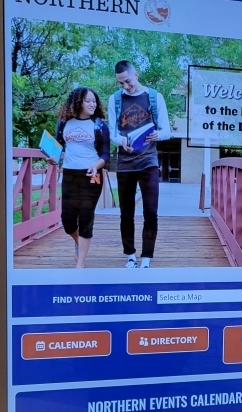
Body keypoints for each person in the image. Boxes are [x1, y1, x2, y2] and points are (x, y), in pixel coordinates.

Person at [107, 60, 171, 268]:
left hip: (148, 161)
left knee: (150, 211)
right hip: (125, 162)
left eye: (127, 81)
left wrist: (157, 135)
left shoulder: (154, 97)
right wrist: (121, 141)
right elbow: (113, 132)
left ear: (137, 75)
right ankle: (130, 256)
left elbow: (167, 130)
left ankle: (146, 258)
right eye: (120, 83)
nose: (125, 86)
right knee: (126, 212)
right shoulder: (115, 100)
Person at [54, 87, 110, 269]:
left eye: (94, 101)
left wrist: (96, 165)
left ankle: (80, 263)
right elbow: (58, 146)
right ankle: (79, 242)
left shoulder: (99, 125)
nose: (93, 104)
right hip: (70, 174)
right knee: (67, 221)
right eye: (88, 101)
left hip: (91, 175)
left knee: (86, 217)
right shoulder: (64, 123)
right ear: (78, 102)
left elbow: (105, 154)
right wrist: (53, 158)